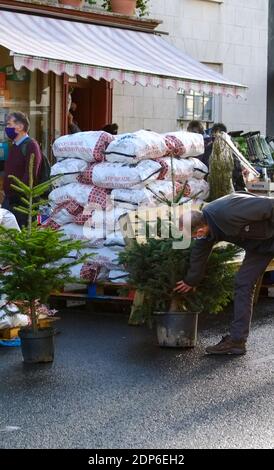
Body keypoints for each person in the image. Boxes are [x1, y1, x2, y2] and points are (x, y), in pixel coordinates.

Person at [174, 192, 274, 355]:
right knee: (243, 283)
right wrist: (191, 281)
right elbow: (199, 253)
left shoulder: (227, 212)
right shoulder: (207, 227)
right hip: (260, 247)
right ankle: (237, 341)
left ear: (200, 230)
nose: (194, 239)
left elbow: (270, 205)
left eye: (193, 236)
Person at [3, 112, 42, 227]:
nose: (7, 128)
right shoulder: (14, 146)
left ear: (20, 127)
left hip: (23, 203)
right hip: (9, 201)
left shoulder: (31, 145)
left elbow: (31, 174)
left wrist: (19, 193)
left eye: (9, 124)